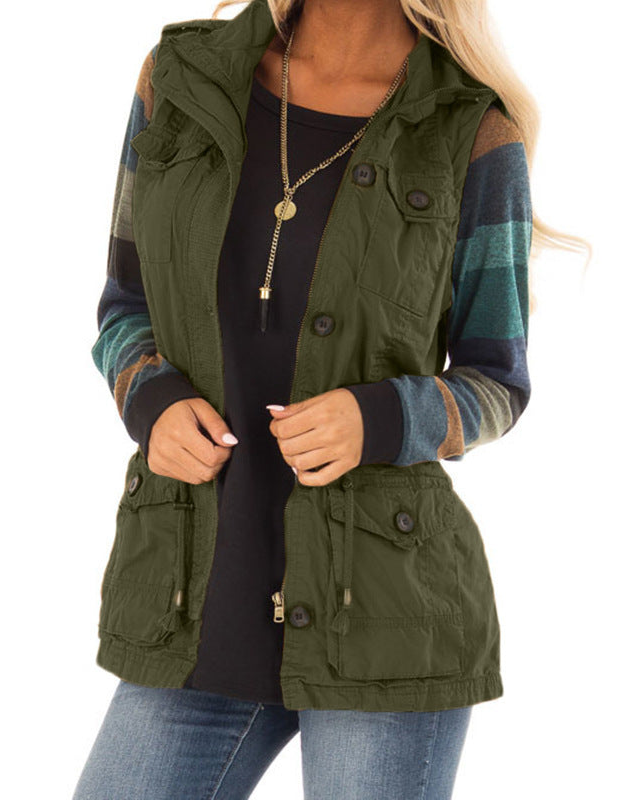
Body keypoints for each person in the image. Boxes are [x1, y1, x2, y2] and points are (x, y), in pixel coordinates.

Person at [73, 0, 583, 797]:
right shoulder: (179, 80)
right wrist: (152, 400)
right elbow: (123, 304)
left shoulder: (471, 128)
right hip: (198, 596)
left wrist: (378, 419)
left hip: (383, 619)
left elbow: (498, 382)